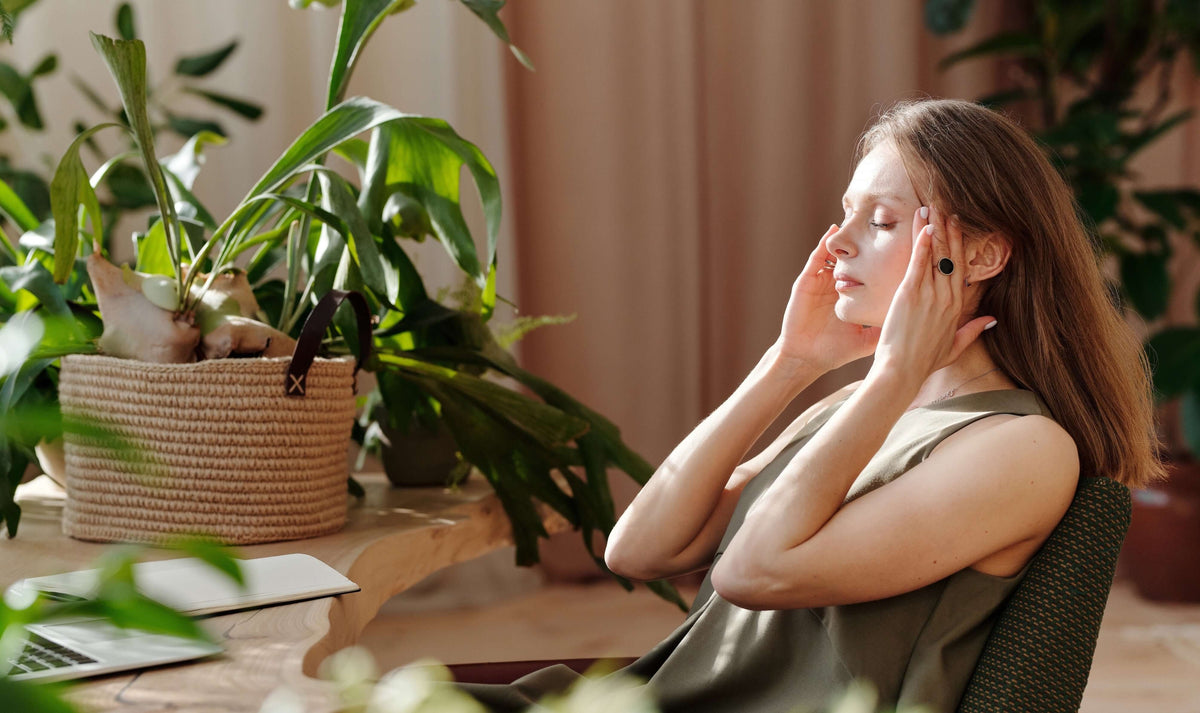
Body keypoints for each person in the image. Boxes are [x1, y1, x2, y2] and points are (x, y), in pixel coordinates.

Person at [458, 98, 1163, 713]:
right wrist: (788, 363)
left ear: (978, 257)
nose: (837, 245)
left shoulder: (1020, 448)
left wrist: (889, 378)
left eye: (881, 220)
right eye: (844, 214)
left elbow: (751, 571)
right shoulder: (856, 408)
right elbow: (639, 548)